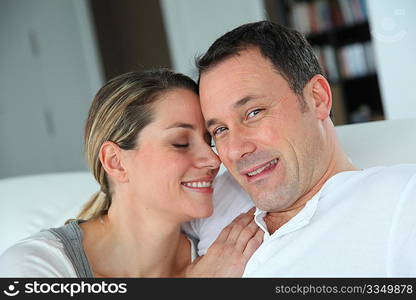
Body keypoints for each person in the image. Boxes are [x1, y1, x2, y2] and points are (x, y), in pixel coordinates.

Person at [183, 21, 416, 277]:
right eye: (220, 130)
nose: (236, 150)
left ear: (317, 98)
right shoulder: (211, 199)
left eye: (253, 112)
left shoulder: (401, 201)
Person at [0, 69, 263, 277]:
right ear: (115, 162)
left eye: (209, 140)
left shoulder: (226, 251)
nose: (213, 159)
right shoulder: (36, 268)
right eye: (181, 143)